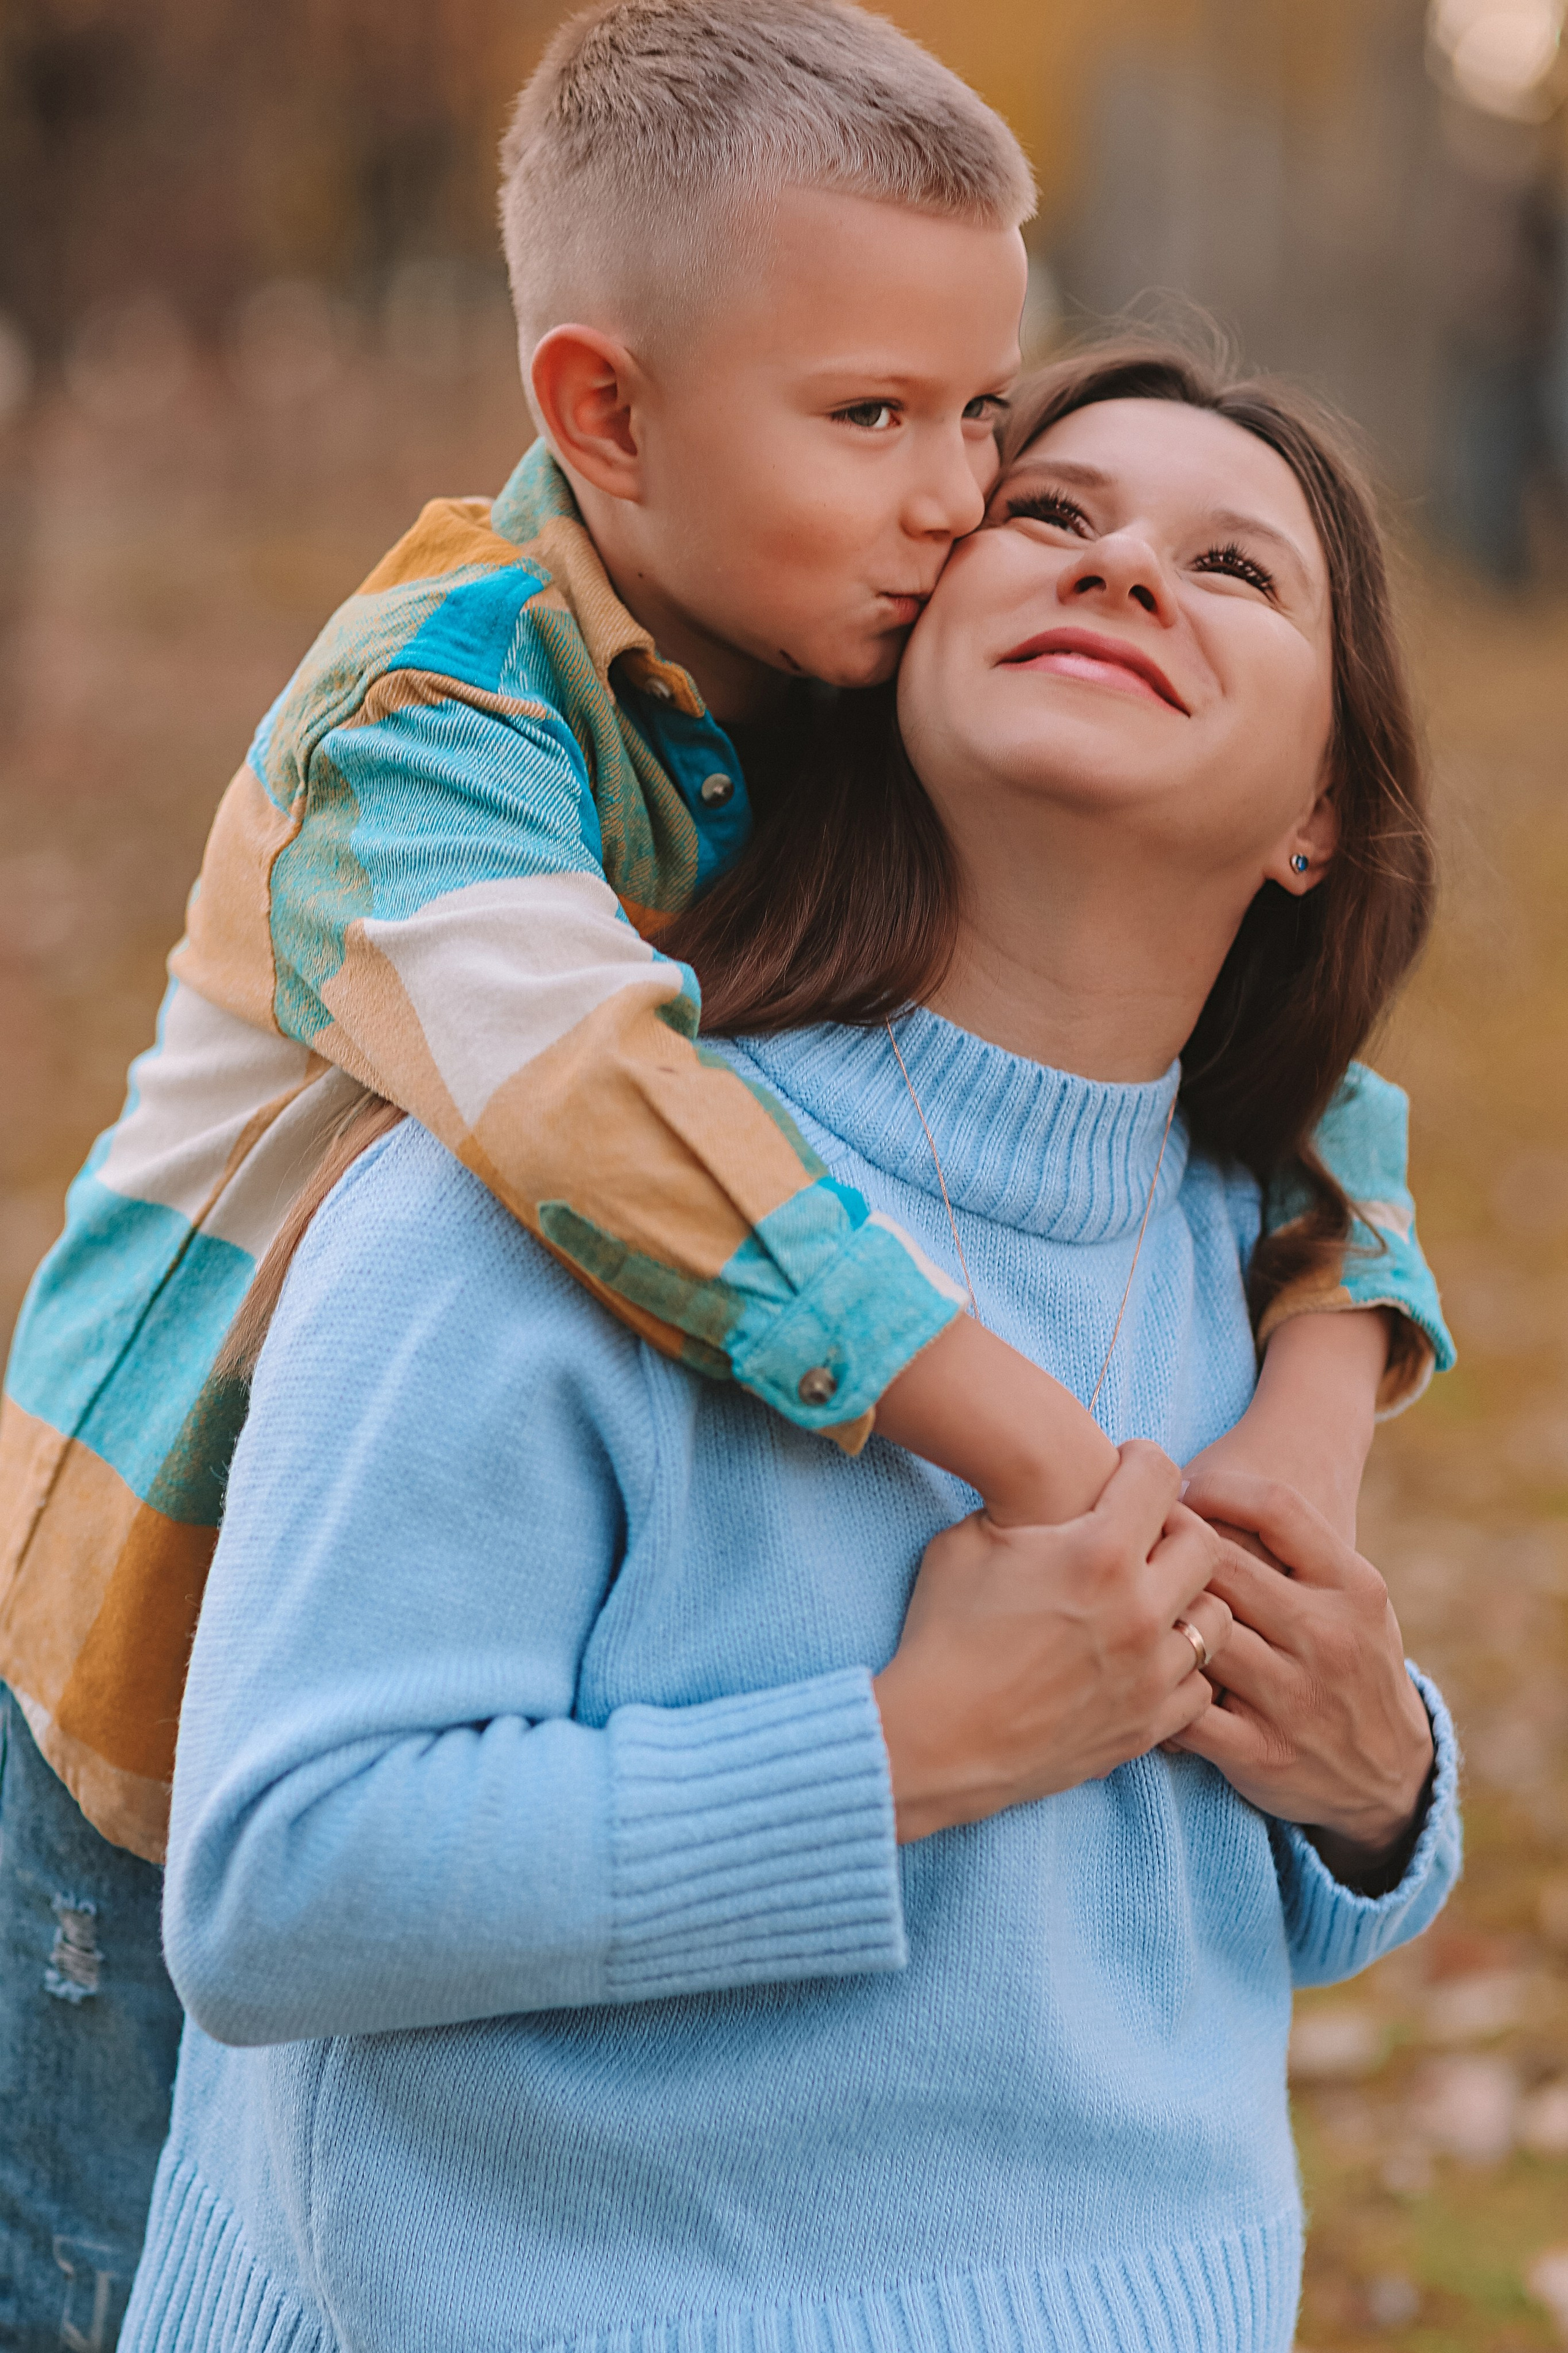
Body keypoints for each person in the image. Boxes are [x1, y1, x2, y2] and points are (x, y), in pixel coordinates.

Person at [0, 4, 1447, 2340]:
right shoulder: (444, 761)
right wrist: (1052, 1504)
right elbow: (593, 1117)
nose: (978, 509)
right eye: (904, 431)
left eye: (981, 418)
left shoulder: (799, 663)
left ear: (1319, 825)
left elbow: (1317, 1128)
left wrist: (1329, 1573)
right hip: (121, 1662)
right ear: (608, 415)